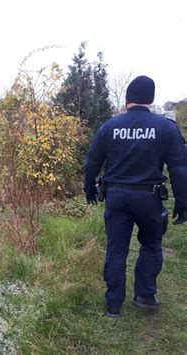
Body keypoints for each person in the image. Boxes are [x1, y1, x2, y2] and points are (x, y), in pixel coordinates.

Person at [84, 75, 187, 318]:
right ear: (150, 100)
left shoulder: (109, 127)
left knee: (116, 250)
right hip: (149, 198)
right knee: (151, 244)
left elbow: (92, 161)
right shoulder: (166, 128)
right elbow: (179, 168)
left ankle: (113, 306)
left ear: (128, 99)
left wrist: (89, 188)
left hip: (116, 196)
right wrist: (182, 203)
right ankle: (145, 295)